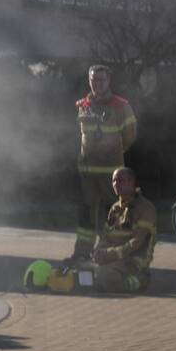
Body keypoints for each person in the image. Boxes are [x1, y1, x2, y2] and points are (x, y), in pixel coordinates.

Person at [68, 65, 137, 265]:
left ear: (109, 81)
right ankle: (82, 253)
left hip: (111, 175)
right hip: (88, 174)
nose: (97, 83)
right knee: (86, 216)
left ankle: (110, 254)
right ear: (89, 80)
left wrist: (114, 152)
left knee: (112, 214)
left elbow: (130, 136)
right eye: (93, 79)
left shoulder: (121, 106)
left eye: (101, 80)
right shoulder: (83, 105)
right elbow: (82, 136)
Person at [91, 167, 157, 293]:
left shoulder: (145, 208)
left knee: (103, 274)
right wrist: (98, 252)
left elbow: (137, 243)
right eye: (114, 181)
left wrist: (109, 254)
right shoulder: (115, 208)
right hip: (114, 258)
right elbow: (106, 236)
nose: (116, 184)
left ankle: (140, 279)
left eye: (120, 180)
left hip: (133, 261)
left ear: (131, 183)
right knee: (84, 271)